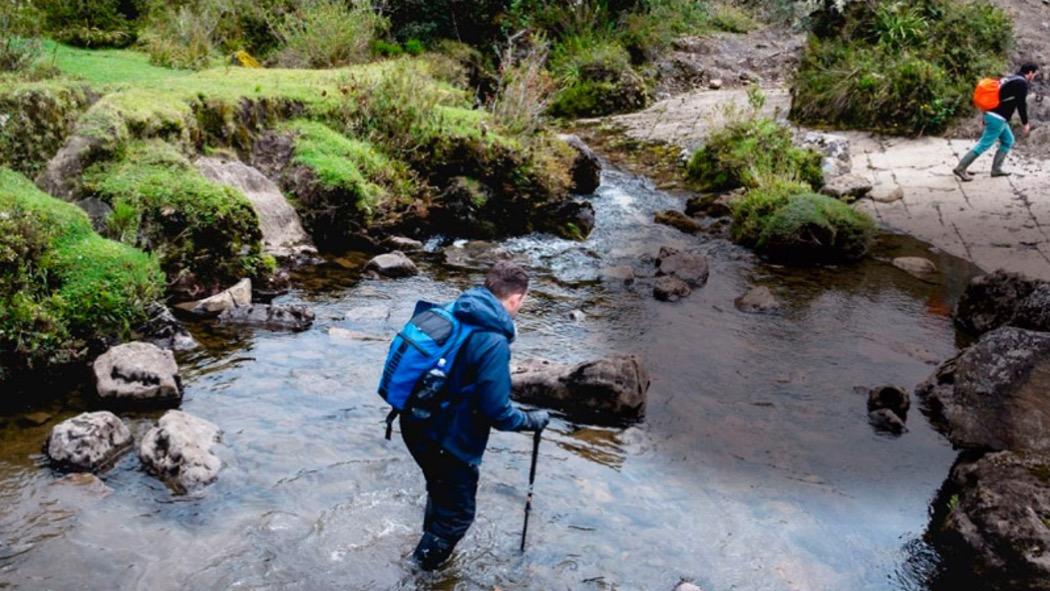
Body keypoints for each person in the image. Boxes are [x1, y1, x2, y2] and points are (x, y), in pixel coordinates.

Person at [400, 261, 549, 571]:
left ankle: (427, 548)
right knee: (456, 517)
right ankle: (419, 574)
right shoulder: (493, 341)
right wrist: (531, 420)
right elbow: (498, 412)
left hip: (414, 422)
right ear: (516, 298)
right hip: (446, 439)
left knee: (442, 493)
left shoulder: (457, 310)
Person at [954, 62, 1040, 181]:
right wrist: (1025, 123)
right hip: (997, 118)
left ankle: (996, 169)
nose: (1034, 77)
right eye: (1035, 74)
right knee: (984, 144)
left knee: (1008, 140)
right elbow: (1021, 104)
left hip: (996, 116)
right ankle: (961, 168)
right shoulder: (1022, 83)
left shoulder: (1011, 78)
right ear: (1030, 72)